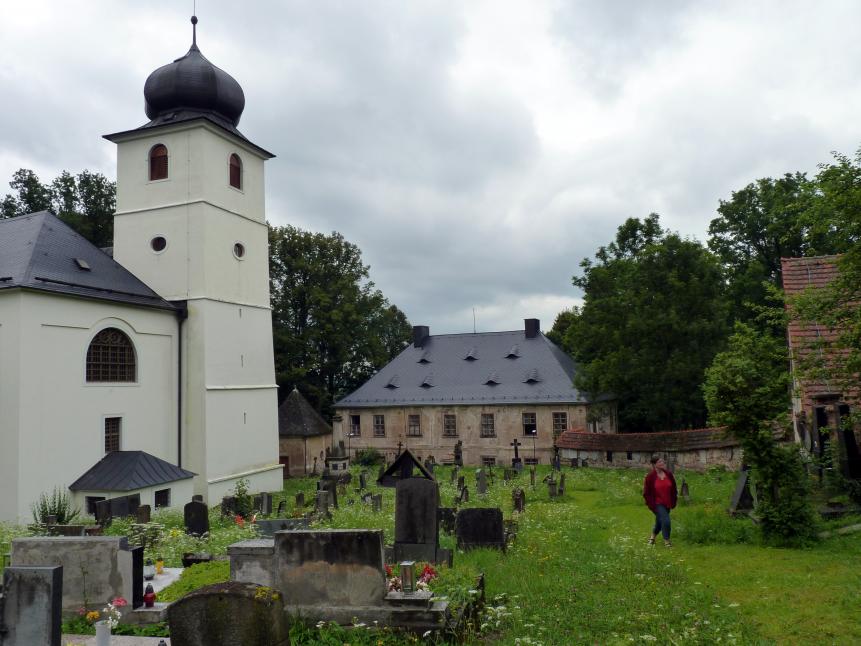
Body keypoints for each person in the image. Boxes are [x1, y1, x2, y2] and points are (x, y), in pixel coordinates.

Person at [643, 454, 678, 546]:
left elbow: (674, 488)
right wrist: (651, 505)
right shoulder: (650, 477)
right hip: (657, 504)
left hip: (667, 503)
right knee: (666, 520)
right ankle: (667, 541)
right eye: (660, 462)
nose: (662, 463)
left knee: (660, 521)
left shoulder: (668, 474)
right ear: (655, 464)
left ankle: (652, 537)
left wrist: (674, 500)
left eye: (662, 461)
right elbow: (646, 493)